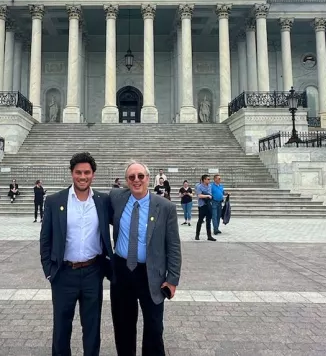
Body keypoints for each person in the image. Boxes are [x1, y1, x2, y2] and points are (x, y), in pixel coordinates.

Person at [40, 152, 113, 356]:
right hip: (64, 273)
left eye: (87, 173)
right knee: (61, 328)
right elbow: (45, 239)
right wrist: (49, 271)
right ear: (72, 173)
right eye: (79, 172)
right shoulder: (55, 201)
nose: (83, 177)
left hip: (92, 272)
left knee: (92, 327)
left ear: (93, 175)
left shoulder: (103, 201)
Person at [109, 161, 182, 356]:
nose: (136, 180)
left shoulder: (165, 207)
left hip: (152, 274)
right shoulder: (116, 198)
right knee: (123, 325)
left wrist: (172, 279)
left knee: (154, 327)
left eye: (140, 176)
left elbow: (173, 246)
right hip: (122, 272)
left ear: (148, 178)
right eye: (131, 177)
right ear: (126, 181)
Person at [195, 174, 216, 242]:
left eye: (209, 179)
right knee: (200, 220)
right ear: (204, 180)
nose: (209, 180)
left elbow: (210, 194)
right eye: (208, 179)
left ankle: (209, 236)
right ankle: (197, 235)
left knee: (208, 221)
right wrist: (207, 195)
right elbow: (199, 195)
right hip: (202, 206)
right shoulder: (199, 187)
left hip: (208, 205)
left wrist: (209, 196)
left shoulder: (210, 186)